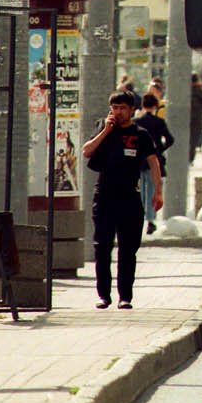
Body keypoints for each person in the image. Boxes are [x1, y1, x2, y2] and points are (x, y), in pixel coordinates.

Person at [83, 91, 163, 310]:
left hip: (129, 196)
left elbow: (153, 162)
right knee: (102, 247)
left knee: (128, 249)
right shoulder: (103, 128)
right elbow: (86, 151)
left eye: (122, 108)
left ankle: (125, 296)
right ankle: (103, 295)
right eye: (114, 108)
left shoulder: (140, 134)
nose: (118, 112)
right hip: (105, 196)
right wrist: (106, 131)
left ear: (131, 110)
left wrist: (158, 192)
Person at [133, 93, 174, 235]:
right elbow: (170, 139)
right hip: (154, 161)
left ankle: (139, 218)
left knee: (139, 190)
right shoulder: (159, 122)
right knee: (151, 189)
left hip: (138, 161)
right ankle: (150, 220)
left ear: (143, 105)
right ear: (155, 106)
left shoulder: (136, 122)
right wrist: (158, 150)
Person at [189, 73, 202, 163]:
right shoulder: (200, 91)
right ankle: (190, 158)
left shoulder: (185, 91)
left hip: (185, 119)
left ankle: (187, 157)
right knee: (193, 140)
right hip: (197, 119)